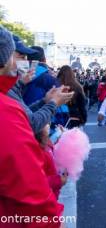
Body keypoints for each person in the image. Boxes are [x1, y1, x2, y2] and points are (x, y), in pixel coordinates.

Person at [0, 26, 64, 227]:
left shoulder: (9, 95)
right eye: (17, 55)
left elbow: (24, 113)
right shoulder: (5, 109)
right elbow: (29, 189)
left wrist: (45, 101)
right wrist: (53, 103)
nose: (23, 61)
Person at [8, 35, 74, 133]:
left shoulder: (12, 86)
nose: (26, 62)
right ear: (5, 57)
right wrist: (54, 103)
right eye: (21, 57)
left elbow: (24, 115)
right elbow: (31, 123)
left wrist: (45, 101)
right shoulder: (7, 89)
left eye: (26, 57)